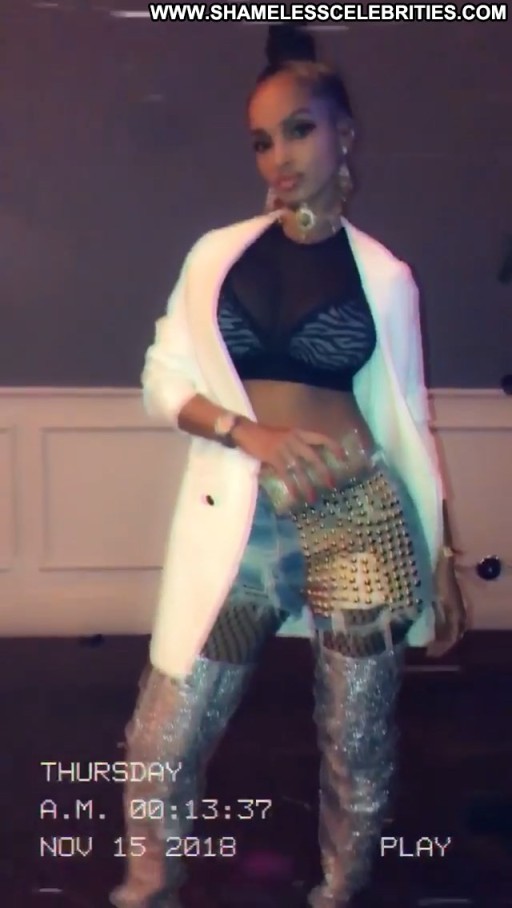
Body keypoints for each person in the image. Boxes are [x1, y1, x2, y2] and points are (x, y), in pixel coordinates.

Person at [110, 24, 466, 908]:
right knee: (169, 728)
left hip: (360, 521)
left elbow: (409, 420)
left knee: (357, 740)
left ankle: (341, 892)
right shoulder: (217, 258)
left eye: (299, 130)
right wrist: (247, 432)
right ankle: (147, 887)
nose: (279, 157)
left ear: (345, 134)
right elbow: (163, 381)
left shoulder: (386, 277)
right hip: (247, 525)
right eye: (263, 141)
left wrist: (441, 556)